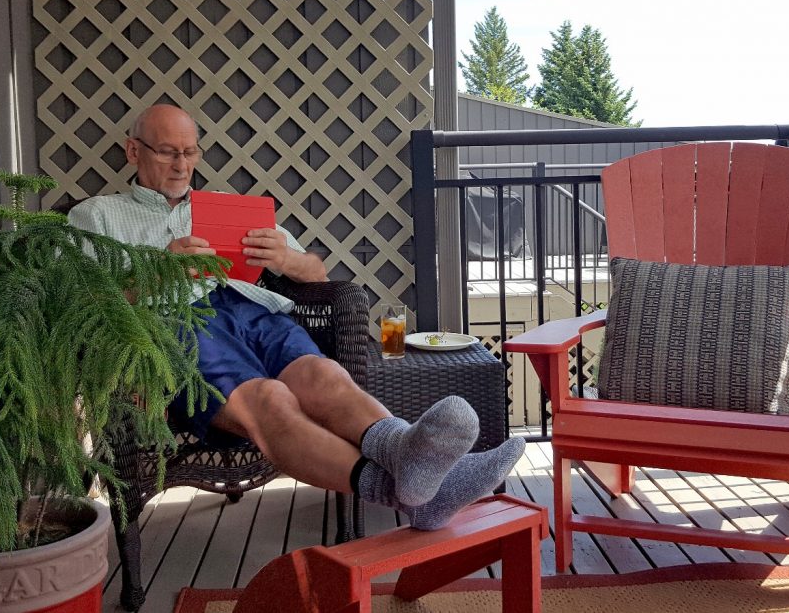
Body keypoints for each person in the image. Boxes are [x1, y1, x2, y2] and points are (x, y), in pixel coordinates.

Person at [68, 103, 524, 530]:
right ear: (134, 151)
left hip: (252, 311)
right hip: (173, 323)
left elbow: (315, 273)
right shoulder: (96, 216)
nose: (182, 165)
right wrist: (157, 270)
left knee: (324, 376)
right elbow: (81, 304)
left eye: (190, 152)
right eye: (168, 152)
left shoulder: (224, 209)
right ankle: (418, 490)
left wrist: (284, 259)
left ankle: (409, 461)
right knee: (269, 401)